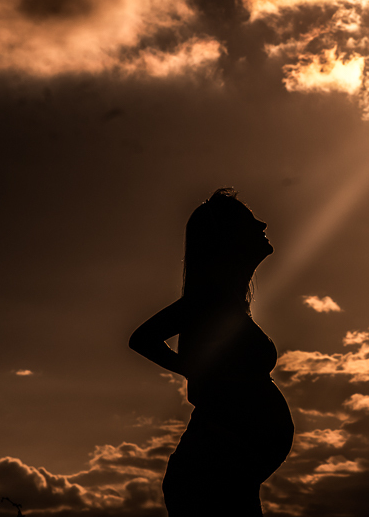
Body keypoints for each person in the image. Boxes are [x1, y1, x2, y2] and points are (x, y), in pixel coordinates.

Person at [129, 188, 294, 516]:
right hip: (210, 475)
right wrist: (191, 369)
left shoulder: (227, 304)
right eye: (249, 221)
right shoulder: (209, 300)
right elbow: (143, 338)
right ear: (229, 238)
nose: (262, 225)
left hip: (226, 475)